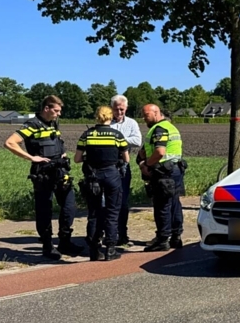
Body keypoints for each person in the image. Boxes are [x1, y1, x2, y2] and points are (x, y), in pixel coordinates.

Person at [4, 95, 80, 259]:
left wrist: (63, 153)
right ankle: (47, 246)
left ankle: (65, 242)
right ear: (47, 108)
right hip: (43, 173)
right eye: (56, 111)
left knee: (70, 206)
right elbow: (10, 143)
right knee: (44, 210)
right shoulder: (32, 125)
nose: (59, 114)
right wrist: (31, 158)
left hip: (60, 171)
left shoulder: (53, 123)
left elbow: (56, 142)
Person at [75, 106, 130, 261]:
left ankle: (94, 249)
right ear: (110, 117)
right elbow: (126, 159)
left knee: (94, 213)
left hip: (93, 177)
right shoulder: (117, 135)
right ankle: (111, 249)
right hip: (112, 175)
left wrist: (89, 158)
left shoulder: (87, 135)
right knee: (112, 213)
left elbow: (77, 159)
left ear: (96, 117)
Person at [138, 104, 186, 251]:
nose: (144, 118)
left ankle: (163, 239)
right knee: (174, 203)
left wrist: (146, 164)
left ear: (156, 113)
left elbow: (159, 152)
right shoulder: (170, 127)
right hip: (175, 169)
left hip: (164, 172)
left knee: (162, 205)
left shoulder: (160, 129)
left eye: (146, 115)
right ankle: (176, 237)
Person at [109, 94, 142, 247]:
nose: (119, 112)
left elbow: (137, 140)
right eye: (116, 109)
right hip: (108, 165)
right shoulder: (106, 121)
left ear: (126, 108)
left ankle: (123, 234)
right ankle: (109, 233)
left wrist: (117, 138)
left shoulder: (132, 123)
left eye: (122, 109)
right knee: (107, 202)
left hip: (123, 166)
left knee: (122, 201)